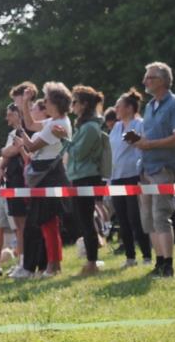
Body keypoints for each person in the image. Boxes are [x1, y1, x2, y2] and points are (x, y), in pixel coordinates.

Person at [131, 62, 175, 278]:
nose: (145, 81)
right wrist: (139, 142)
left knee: (160, 215)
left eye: (150, 77)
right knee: (148, 218)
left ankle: (168, 265)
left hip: (164, 167)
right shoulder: (149, 106)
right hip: (145, 168)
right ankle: (159, 262)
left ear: (163, 80)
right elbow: (150, 138)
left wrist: (149, 144)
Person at [13, 82, 73, 278]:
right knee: (47, 223)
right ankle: (52, 265)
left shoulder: (58, 124)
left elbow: (30, 147)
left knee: (48, 223)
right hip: (47, 177)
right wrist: (25, 104)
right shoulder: (56, 121)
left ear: (55, 102)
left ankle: (53, 266)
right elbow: (31, 124)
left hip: (50, 177)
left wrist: (19, 131)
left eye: (46, 99)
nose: (44, 102)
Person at [52, 86, 106, 276]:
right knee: (83, 220)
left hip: (87, 177)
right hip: (79, 177)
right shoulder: (84, 125)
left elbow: (78, 153)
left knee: (86, 221)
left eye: (74, 102)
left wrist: (63, 138)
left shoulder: (90, 127)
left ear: (84, 105)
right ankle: (92, 259)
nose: (71, 106)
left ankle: (92, 262)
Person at [109, 89, 152, 267]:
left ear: (129, 108)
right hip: (116, 177)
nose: (115, 109)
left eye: (118, 106)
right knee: (122, 218)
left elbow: (146, 145)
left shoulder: (140, 123)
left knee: (135, 217)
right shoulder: (116, 127)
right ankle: (130, 257)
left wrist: (134, 139)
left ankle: (147, 256)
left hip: (134, 175)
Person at [0, 103, 30, 279]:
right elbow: (5, 155)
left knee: (21, 227)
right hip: (10, 183)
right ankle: (20, 263)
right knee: (18, 226)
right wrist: (2, 161)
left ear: (18, 115)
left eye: (10, 114)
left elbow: (10, 151)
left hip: (20, 182)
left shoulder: (24, 132)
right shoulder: (11, 134)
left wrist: (4, 153)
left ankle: (24, 263)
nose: (7, 118)